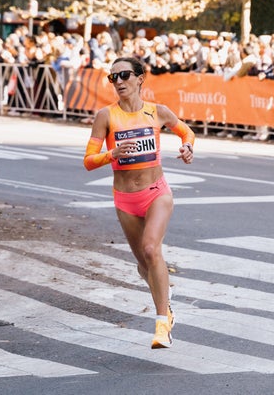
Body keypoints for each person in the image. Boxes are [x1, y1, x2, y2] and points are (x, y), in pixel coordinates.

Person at [83, 56, 195, 349]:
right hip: (125, 199)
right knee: (143, 265)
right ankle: (166, 306)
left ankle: (161, 324)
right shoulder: (106, 117)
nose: (118, 82)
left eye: (124, 75)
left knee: (150, 248)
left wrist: (187, 147)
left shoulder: (157, 112)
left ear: (139, 78)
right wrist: (112, 154)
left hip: (156, 191)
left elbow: (186, 131)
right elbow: (88, 161)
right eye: (113, 78)